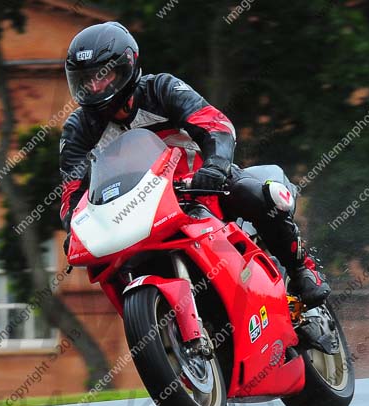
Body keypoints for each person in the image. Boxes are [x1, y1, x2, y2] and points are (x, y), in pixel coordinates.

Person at [59, 22, 330, 307]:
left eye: (102, 76)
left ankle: (302, 271)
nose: (93, 86)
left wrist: (214, 167)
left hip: (200, 188)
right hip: (135, 214)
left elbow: (216, 125)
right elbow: (71, 192)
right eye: (85, 80)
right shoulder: (78, 128)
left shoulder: (161, 89)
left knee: (257, 194)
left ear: (126, 65)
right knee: (104, 264)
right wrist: (75, 228)